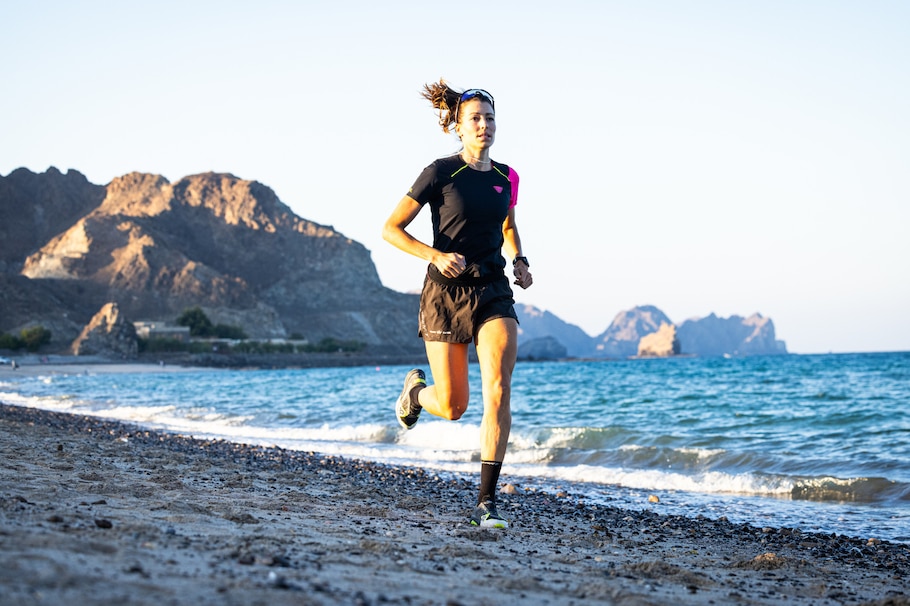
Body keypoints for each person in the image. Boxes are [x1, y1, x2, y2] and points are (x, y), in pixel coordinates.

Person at [382, 80, 533, 529]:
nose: (484, 125)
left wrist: (520, 259)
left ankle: (486, 503)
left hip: (492, 288)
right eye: (475, 119)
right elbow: (391, 228)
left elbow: (508, 226)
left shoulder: (508, 177)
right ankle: (413, 393)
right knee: (452, 406)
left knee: (499, 390)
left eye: (489, 118)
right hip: (445, 293)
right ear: (458, 127)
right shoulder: (440, 172)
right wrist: (434, 254)